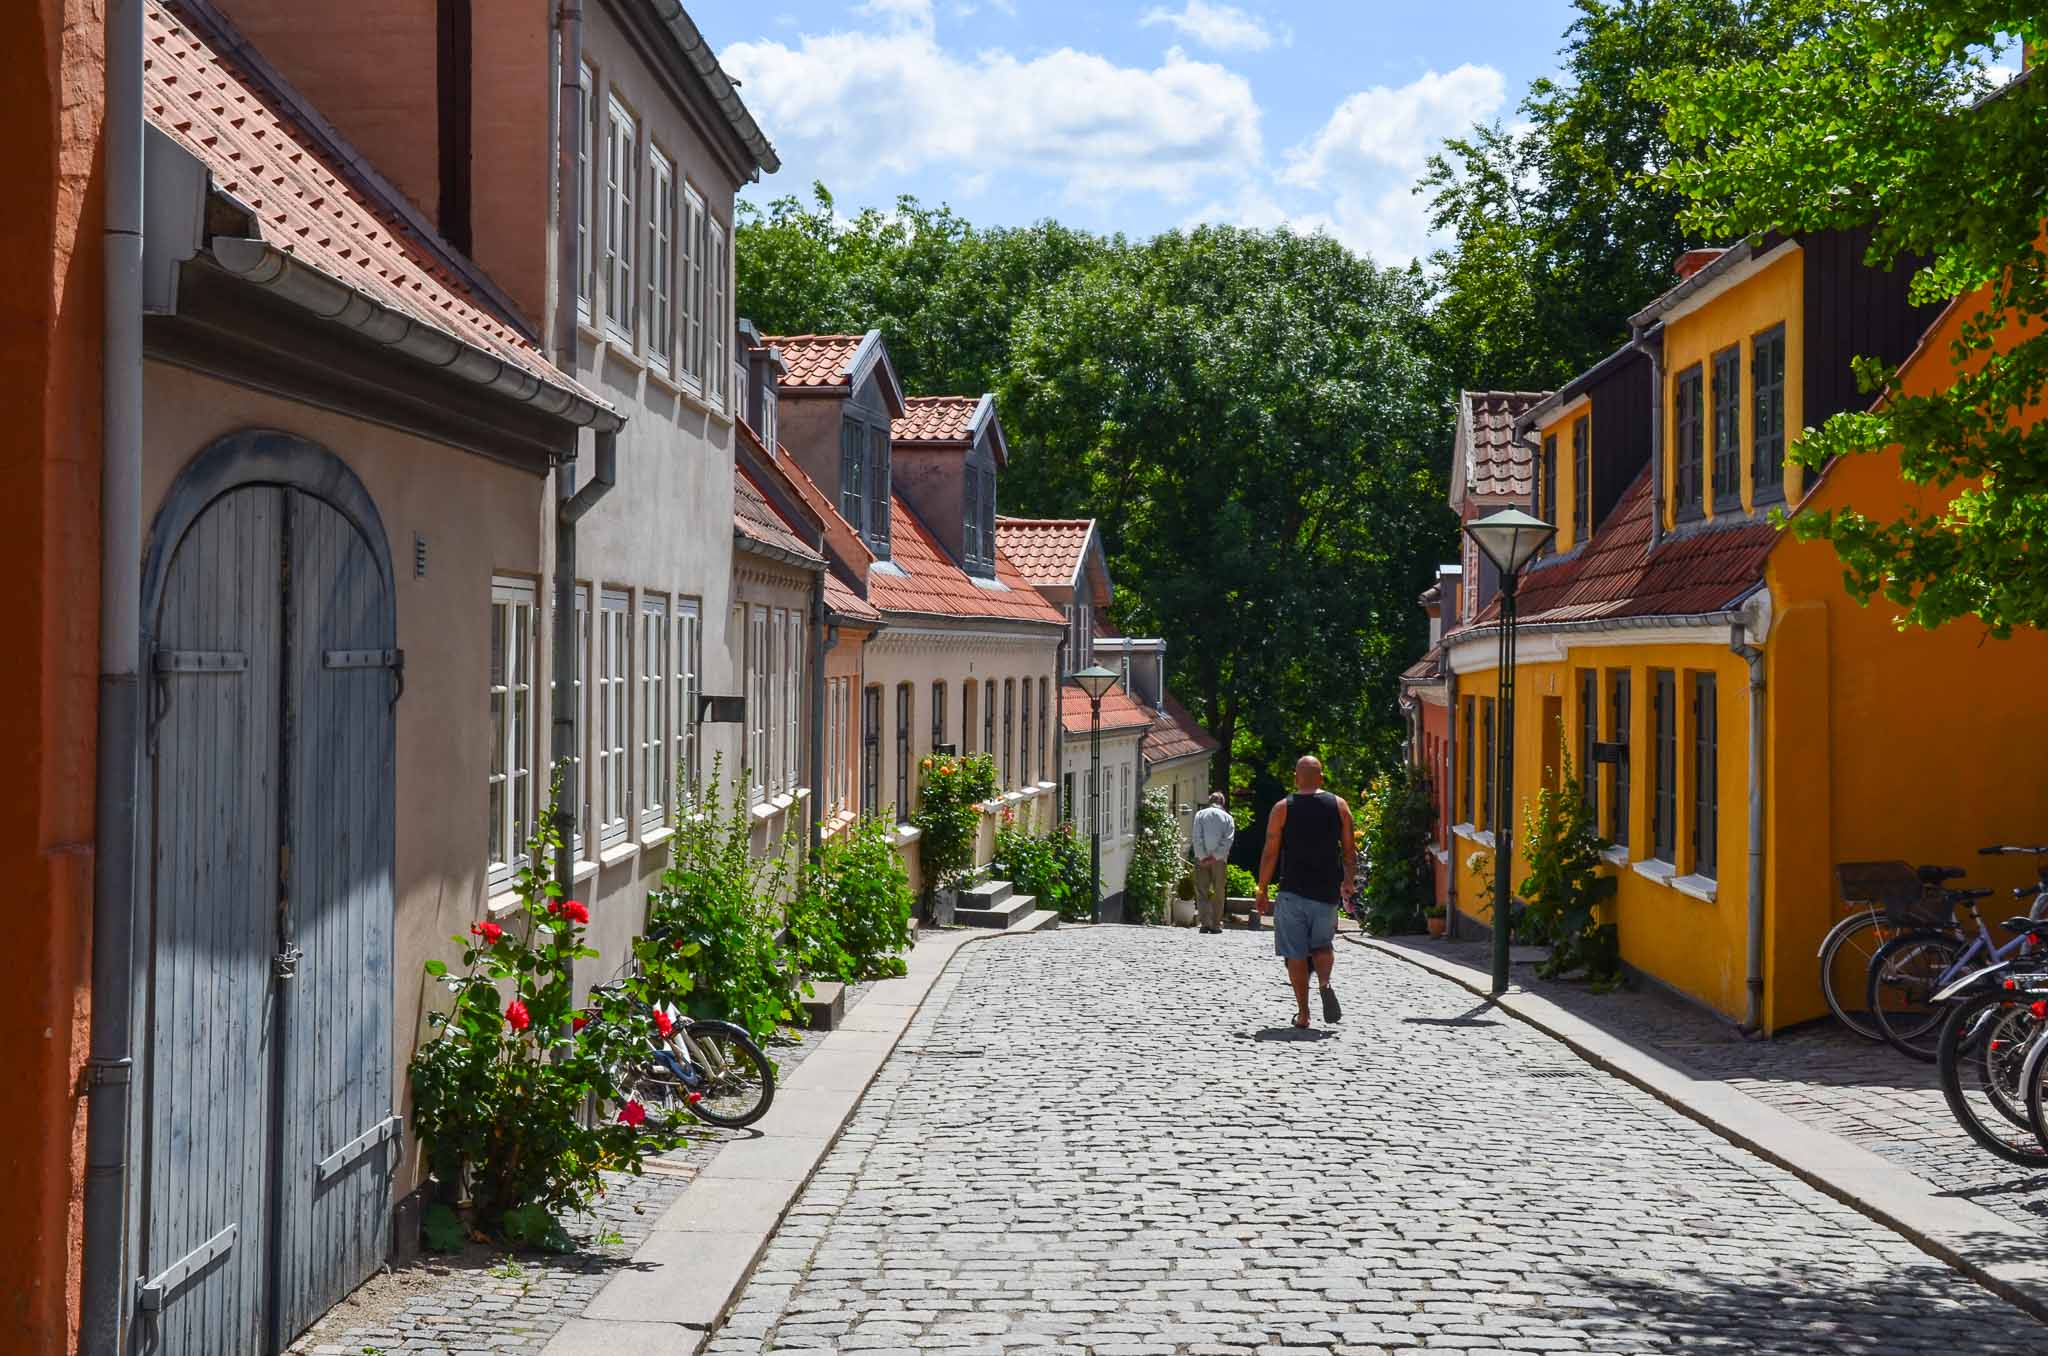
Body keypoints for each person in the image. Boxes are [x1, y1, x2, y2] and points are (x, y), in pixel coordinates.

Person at [1255, 755, 1355, 1029]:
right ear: (1321, 778)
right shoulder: (1339, 806)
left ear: (1296, 777)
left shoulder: (1282, 808)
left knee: (1295, 954)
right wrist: (1348, 880)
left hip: (1292, 890)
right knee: (1322, 945)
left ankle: (1304, 1013)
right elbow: (1349, 849)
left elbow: (1271, 851)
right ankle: (1325, 982)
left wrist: (1262, 888)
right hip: (1325, 892)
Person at [1190, 792, 1236, 934]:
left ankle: (1205, 924)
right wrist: (1215, 856)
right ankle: (1216, 924)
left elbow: (1196, 836)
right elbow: (1228, 840)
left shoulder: (1200, 814)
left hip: (1201, 858)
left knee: (1202, 891)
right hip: (1219, 860)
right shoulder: (1228, 818)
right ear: (1222, 802)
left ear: (1210, 801)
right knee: (1219, 891)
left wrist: (1203, 856)